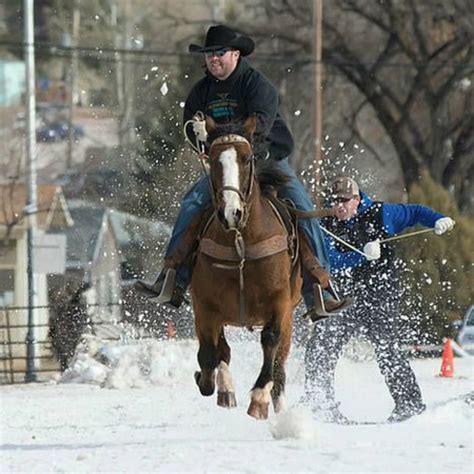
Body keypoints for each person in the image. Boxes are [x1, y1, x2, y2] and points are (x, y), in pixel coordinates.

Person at [134, 24, 351, 317]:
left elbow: (259, 126)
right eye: (209, 54)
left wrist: (226, 138)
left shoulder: (257, 85)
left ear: (235, 55)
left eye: (219, 53)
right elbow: (191, 128)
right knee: (191, 204)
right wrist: (195, 133)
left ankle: (321, 290)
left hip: (266, 161)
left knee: (302, 206)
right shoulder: (201, 92)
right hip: (225, 168)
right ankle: (172, 280)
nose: (213, 59)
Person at [303, 176, 456, 423]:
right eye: (335, 201)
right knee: (322, 344)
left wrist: (437, 219)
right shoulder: (326, 223)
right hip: (345, 297)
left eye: (344, 201)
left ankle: (409, 405)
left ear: (357, 199)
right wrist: (360, 256)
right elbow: (329, 260)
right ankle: (320, 404)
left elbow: (414, 212)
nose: (339, 206)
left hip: (380, 294)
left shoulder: (381, 213)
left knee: (387, 349)